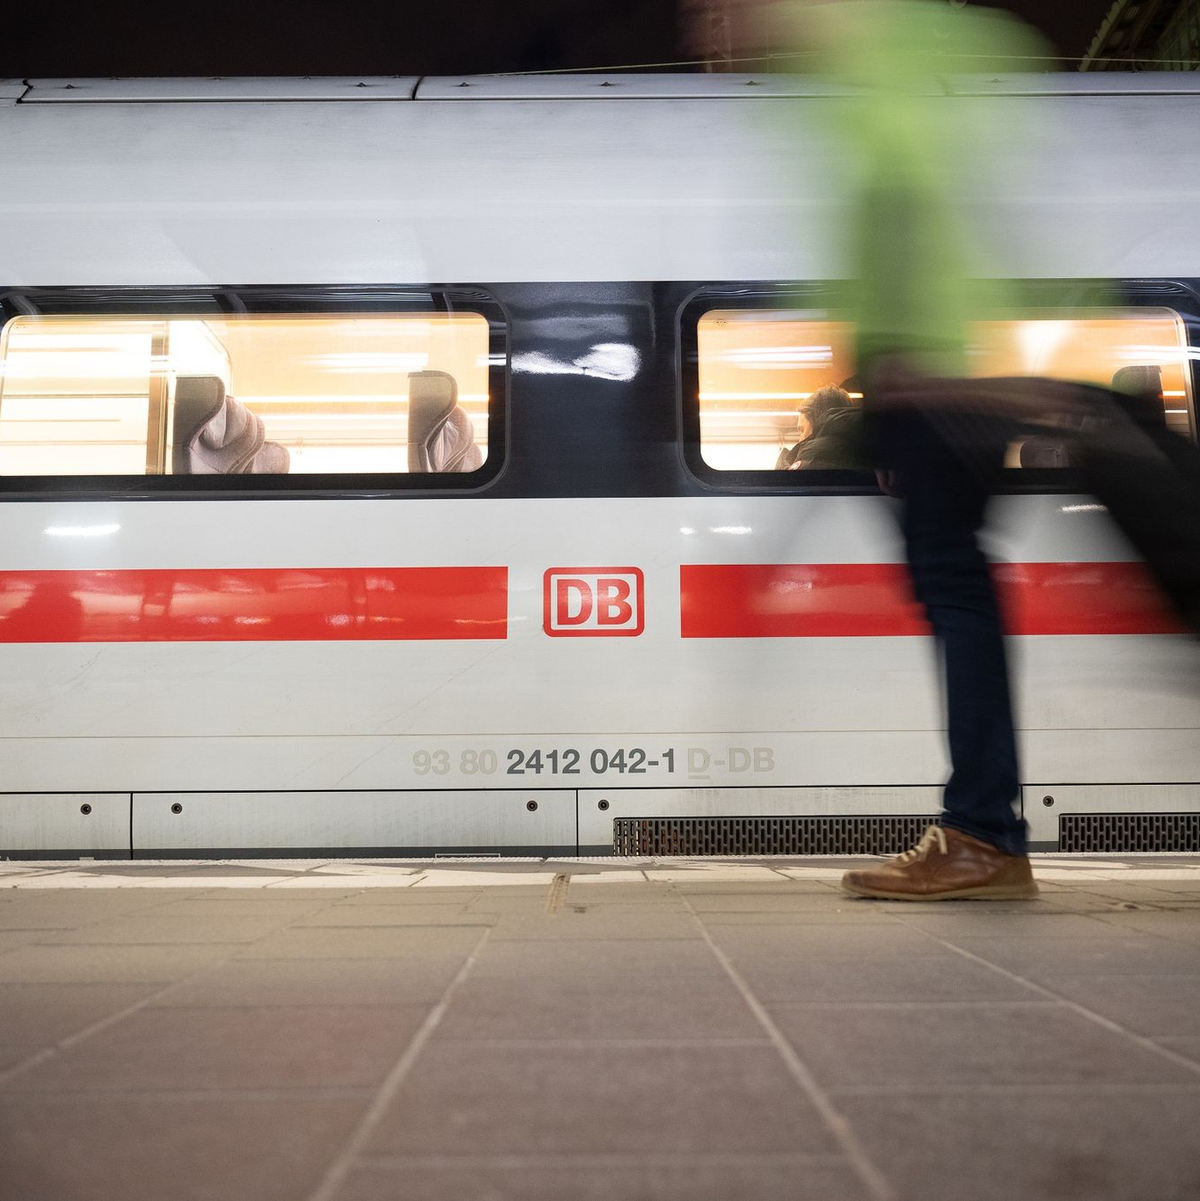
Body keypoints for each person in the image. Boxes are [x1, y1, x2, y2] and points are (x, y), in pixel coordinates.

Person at [784, 0, 1050, 900]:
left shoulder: (882, 90)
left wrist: (900, 371)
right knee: (956, 595)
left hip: (934, 388)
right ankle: (985, 829)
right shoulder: (889, 83)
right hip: (933, 389)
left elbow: (908, 222)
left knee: (955, 596)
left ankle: (983, 833)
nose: (716, 24)